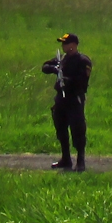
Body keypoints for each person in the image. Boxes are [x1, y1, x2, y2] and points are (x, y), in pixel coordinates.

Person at [42, 32, 92, 172]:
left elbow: (82, 81)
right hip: (61, 99)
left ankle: (80, 161)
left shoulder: (83, 61)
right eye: (62, 43)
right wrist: (54, 69)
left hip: (74, 99)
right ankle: (66, 159)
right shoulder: (62, 59)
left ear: (74, 45)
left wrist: (66, 78)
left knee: (78, 130)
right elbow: (45, 66)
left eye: (66, 43)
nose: (63, 46)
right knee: (61, 129)